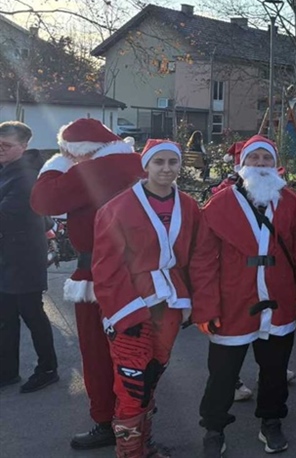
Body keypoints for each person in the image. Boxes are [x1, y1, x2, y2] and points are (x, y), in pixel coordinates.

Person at [191, 135, 296, 456]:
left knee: (274, 371)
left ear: (275, 165)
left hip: (279, 300)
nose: (260, 164)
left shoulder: (292, 203)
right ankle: (214, 427)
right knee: (222, 373)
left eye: (266, 158)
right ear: (241, 164)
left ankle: (271, 421)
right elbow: (203, 260)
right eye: (254, 158)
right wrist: (205, 307)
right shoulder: (219, 204)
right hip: (232, 302)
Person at [30, 118, 144, 451]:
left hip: (97, 271)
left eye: (69, 151)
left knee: (97, 351)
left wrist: (55, 165)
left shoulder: (90, 169)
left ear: (80, 151)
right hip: (141, 272)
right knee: (137, 352)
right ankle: (137, 420)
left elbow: (43, 200)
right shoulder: (136, 162)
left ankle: (107, 421)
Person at [92, 139, 200, 457]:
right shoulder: (117, 207)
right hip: (132, 305)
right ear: (146, 165)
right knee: (133, 383)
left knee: (151, 377)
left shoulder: (190, 206)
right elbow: (107, 268)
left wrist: (194, 303)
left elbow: (200, 256)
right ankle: (130, 452)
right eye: (159, 162)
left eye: (172, 162)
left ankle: (144, 445)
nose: (166, 169)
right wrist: (126, 314)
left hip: (170, 303)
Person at [0, 121, 58, 393]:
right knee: (6, 316)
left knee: (32, 314)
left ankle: (48, 369)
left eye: (6, 145)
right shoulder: (8, 170)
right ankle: (8, 372)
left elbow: (5, 217)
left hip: (24, 258)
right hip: (8, 257)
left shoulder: (24, 176)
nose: (0, 149)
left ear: (23, 147)